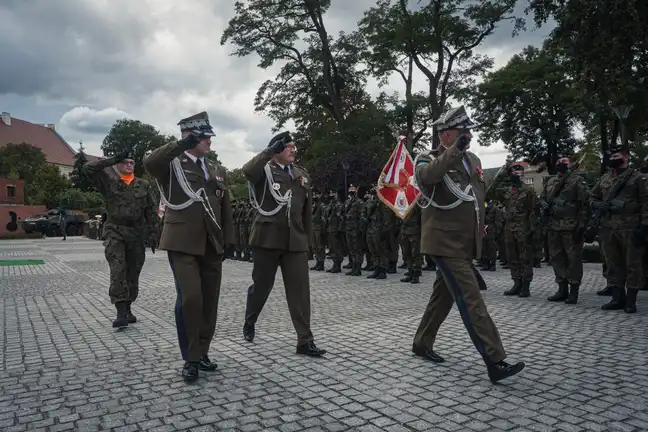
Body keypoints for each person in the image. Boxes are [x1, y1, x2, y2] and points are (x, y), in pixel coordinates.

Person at [412, 105, 524, 384]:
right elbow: (428, 178)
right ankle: (495, 360)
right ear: (446, 135)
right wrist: (455, 151)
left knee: (443, 295)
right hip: (444, 240)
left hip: (465, 240)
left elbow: (477, 195)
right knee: (471, 298)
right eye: (462, 132)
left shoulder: (473, 159)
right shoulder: (426, 158)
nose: (468, 135)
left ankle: (422, 343)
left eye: (468, 131)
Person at [144, 111, 235, 382]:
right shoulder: (172, 165)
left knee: (209, 301)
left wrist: (229, 240)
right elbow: (149, 162)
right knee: (191, 298)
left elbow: (225, 207)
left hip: (212, 242)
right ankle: (190, 358)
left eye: (209, 136)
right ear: (190, 136)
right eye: (204, 137)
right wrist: (181, 144)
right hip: (182, 243)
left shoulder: (217, 170)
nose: (209, 141)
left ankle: (203, 352)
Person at [242, 131, 326, 357]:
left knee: (300, 291)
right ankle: (250, 320)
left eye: (293, 146)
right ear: (277, 150)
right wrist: (270, 151)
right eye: (287, 146)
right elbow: (247, 171)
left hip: (295, 240)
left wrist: (308, 242)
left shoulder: (302, 174)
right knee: (261, 287)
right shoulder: (264, 171)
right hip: (267, 239)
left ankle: (304, 340)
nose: (293, 150)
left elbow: (306, 213)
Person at [84, 151, 159, 329]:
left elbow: (151, 210)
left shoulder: (143, 185)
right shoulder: (109, 182)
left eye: (131, 163)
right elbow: (88, 168)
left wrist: (153, 233)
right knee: (118, 269)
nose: (128, 165)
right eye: (124, 162)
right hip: (114, 230)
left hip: (136, 232)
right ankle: (120, 311)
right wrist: (112, 159)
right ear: (118, 165)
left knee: (133, 272)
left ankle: (128, 308)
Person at [589, 144, 648, 313]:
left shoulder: (638, 178)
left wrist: (644, 227)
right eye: (611, 157)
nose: (613, 160)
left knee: (633, 264)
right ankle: (617, 298)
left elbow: (646, 203)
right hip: (608, 227)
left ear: (626, 157)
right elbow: (592, 196)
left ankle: (631, 300)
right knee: (613, 264)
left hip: (631, 228)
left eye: (616, 157)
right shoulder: (606, 178)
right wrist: (598, 204)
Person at [540, 156, 589, 304]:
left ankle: (573, 290)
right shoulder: (551, 181)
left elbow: (585, 204)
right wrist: (543, 204)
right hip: (553, 226)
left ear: (571, 165)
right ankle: (562, 289)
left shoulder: (577, 181)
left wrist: (582, 226)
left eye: (564, 162)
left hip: (571, 226)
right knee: (557, 257)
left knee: (573, 259)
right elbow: (542, 197)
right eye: (558, 162)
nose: (561, 164)